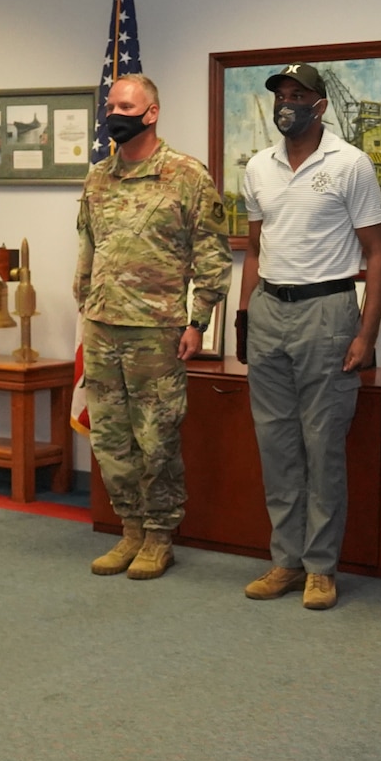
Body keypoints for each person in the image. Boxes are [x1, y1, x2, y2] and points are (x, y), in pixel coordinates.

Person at [235, 64, 381, 611]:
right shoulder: (258, 166)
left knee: (323, 446)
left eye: (298, 95)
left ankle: (321, 568)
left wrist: (366, 334)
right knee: (276, 445)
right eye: (280, 95)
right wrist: (243, 315)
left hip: (328, 311)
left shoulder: (350, 164)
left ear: (319, 105)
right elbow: (255, 248)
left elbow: (377, 253)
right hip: (270, 310)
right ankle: (285, 560)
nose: (286, 104)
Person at [74, 74, 231, 580]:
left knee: (156, 437)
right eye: (110, 104)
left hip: (157, 329)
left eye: (126, 104)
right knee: (112, 440)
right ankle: (130, 531)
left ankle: (160, 536)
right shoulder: (99, 176)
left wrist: (198, 320)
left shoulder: (185, 175)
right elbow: (88, 245)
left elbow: (212, 252)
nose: (114, 112)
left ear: (152, 112)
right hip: (101, 326)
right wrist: (83, 300)